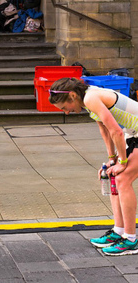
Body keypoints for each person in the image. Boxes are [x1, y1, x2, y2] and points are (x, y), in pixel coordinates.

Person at [48, 77, 138, 256]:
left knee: (123, 178)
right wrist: (112, 159)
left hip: (131, 133)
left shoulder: (90, 98)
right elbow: (104, 130)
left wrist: (122, 162)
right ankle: (119, 231)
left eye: (65, 107)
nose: (66, 112)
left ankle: (131, 239)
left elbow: (116, 131)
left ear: (72, 96)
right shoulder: (88, 99)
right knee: (112, 175)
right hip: (133, 132)